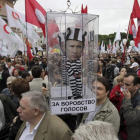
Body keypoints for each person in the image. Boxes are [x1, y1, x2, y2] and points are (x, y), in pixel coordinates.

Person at [65, 27, 87, 99]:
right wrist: (73, 74)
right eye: (71, 46)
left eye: (79, 47)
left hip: (77, 76)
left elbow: (79, 68)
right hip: (72, 76)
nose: (75, 51)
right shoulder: (67, 61)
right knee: (73, 85)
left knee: (79, 85)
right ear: (65, 47)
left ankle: (78, 94)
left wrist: (79, 73)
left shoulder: (78, 61)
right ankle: (74, 95)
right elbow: (68, 68)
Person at [120, 73, 140, 140]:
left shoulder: (127, 98)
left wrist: (127, 100)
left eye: (127, 85)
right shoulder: (127, 97)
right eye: (123, 83)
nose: (124, 87)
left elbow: (130, 120)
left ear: (136, 86)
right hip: (123, 133)